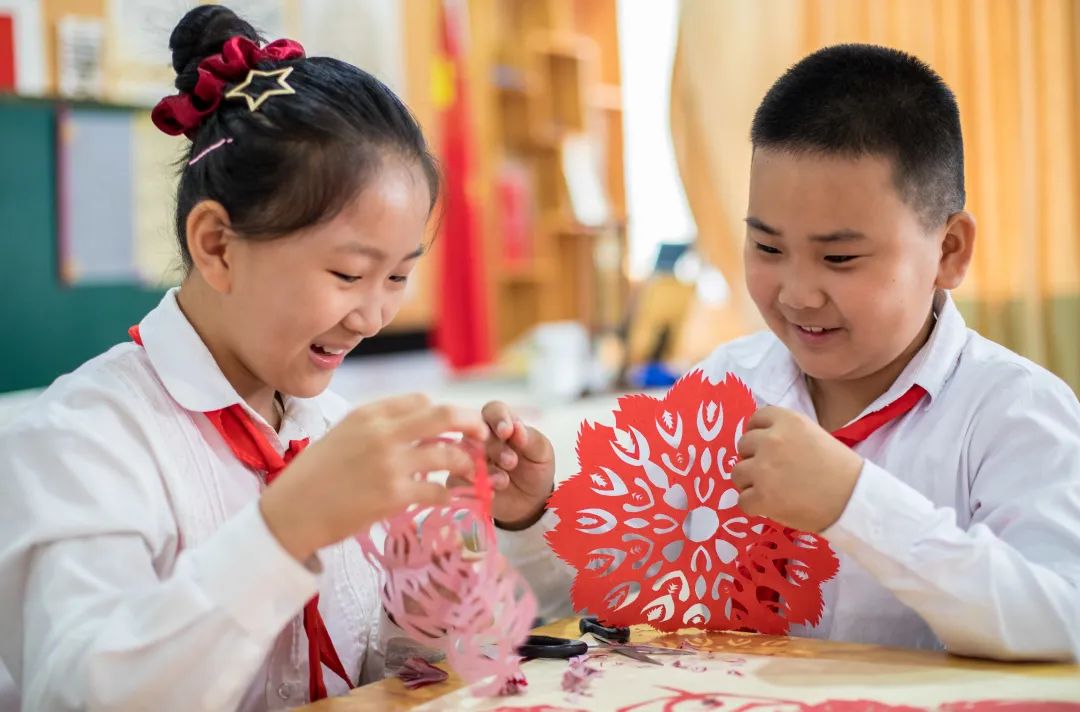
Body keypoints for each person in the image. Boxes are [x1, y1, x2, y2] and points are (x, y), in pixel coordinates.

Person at [0, 5, 538, 709]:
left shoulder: (326, 425)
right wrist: (286, 530)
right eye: (348, 274)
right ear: (217, 246)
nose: (373, 316)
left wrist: (455, 552)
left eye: (399, 277)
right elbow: (85, 693)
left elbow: (380, 668)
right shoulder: (80, 441)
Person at [493, 43, 1080, 662]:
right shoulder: (724, 387)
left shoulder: (1014, 411)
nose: (797, 295)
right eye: (768, 249)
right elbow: (609, 597)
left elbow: (1061, 617)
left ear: (950, 250)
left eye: (840, 258)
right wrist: (530, 516)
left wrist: (854, 503)